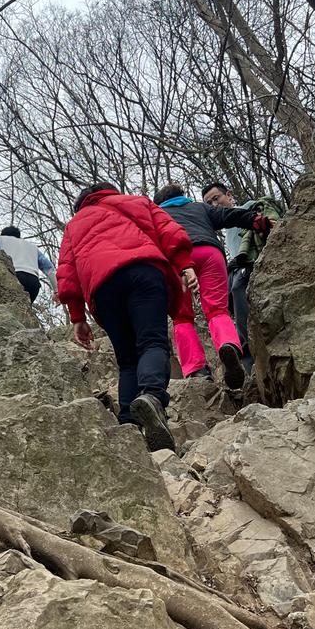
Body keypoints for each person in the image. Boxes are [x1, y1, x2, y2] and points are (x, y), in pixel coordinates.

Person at [56, 181, 198, 452]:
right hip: (143, 271)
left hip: (102, 288)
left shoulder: (74, 227)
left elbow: (67, 273)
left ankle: (129, 425)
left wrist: (77, 317)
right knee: (152, 343)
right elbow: (168, 231)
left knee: (127, 360)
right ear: (109, 192)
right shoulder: (134, 202)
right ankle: (152, 397)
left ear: (81, 205)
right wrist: (184, 265)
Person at [153, 183, 272, 388]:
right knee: (217, 309)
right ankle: (229, 345)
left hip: (174, 260)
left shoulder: (156, 215)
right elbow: (229, 215)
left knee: (181, 317)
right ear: (183, 196)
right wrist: (255, 220)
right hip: (209, 253)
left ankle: (196, 369)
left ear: (159, 203)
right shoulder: (200, 208)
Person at [201, 182, 281, 372]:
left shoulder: (247, 208)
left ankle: (248, 357)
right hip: (238, 268)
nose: (214, 205)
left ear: (229, 195)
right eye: (209, 203)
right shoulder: (227, 229)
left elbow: (268, 221)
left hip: (251, 265)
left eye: (216, 198)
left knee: (237, 292)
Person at [0, 225, 58, 304]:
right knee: (24, 309)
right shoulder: (32, 247)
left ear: (3, 234)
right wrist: (56, 291)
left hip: (13, 276)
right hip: (33, 283)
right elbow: (49, 268)